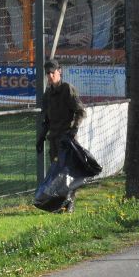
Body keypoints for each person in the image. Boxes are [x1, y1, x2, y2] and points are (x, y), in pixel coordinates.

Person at [36, 59, 86, 212]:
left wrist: (73, 130)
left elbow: (80, 111)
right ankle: (60, 204)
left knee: (68, 172)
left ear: (59, 71)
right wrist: (41, 137)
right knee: (56, 172)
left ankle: (70, 202)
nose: (50, 76)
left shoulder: (67, 89)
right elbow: (46, 120)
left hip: (67, 138)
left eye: (53, 72)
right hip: (54, 139)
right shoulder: (48, 94)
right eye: (48, 74)